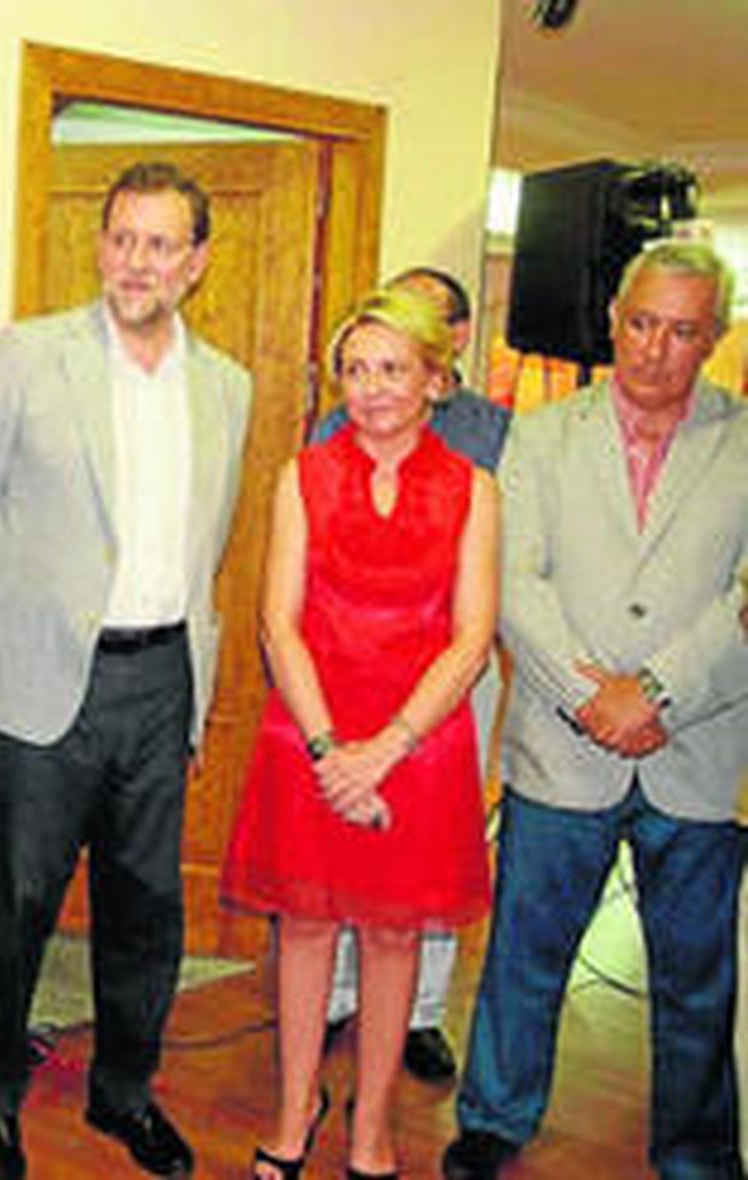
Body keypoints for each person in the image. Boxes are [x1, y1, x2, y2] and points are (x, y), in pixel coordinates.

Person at [0, 160, 253, 1179]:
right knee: (21, 904)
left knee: (145, 912)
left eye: (162, 243)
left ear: (196, 262)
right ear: (101, 243)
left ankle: (124, 1094)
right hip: (38, 689)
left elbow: (202, 543)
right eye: (123, 237)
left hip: (160, 679)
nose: (138, 261)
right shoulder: (27, 358)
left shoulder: (226, 388)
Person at [443, 241, 748, 1180]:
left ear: (717, 337)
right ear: (614, 319)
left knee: (697, 982)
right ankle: (495, 1116)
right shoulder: (540, 435)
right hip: (563, 745)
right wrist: (591, 699)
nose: (656, 349)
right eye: (642, 323)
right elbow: (513, 579)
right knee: (525, 957)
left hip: (695, 750)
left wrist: (655, 691)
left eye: (683, 331)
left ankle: (696, 1151)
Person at [222, 287, 497, 1179]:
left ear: (434, 379)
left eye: (392, 368)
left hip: (418, 748)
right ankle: (295, 1106)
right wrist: (329, 750)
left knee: (391, 938)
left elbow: (472, 638)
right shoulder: (301, 474)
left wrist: (383, 750)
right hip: (309, 734)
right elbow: (277, 624)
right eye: (355, 368)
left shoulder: (475, 490)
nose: (371, 388)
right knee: (302, 930)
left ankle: (371, 1124)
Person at [314, 266, 511, 1084]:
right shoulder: (334, 423)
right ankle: (337, 997)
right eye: (365, 361)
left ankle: (421, 1014)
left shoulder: (498, 435)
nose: (378, 381)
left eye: (409, 342)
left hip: (448, 676)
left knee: (426, 861)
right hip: (346, 671)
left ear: (451, 343)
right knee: (345, 850)